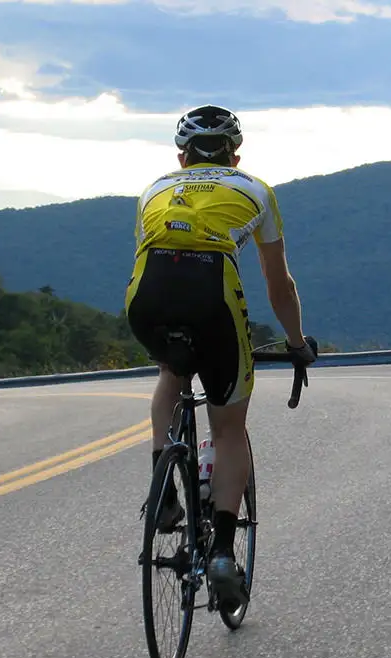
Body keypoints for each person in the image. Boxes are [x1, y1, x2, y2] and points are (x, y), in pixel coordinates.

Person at [125, 104, 316, 608]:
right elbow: (279, 283)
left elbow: (152, 257)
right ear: (236, 154)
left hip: (147, 297)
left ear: (180, 155)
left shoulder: (153, 189)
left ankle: (162, 486)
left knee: (171, 368)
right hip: (212, 294)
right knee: (229, 428)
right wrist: (296, 343)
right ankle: (224, 554)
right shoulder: (255, 189)